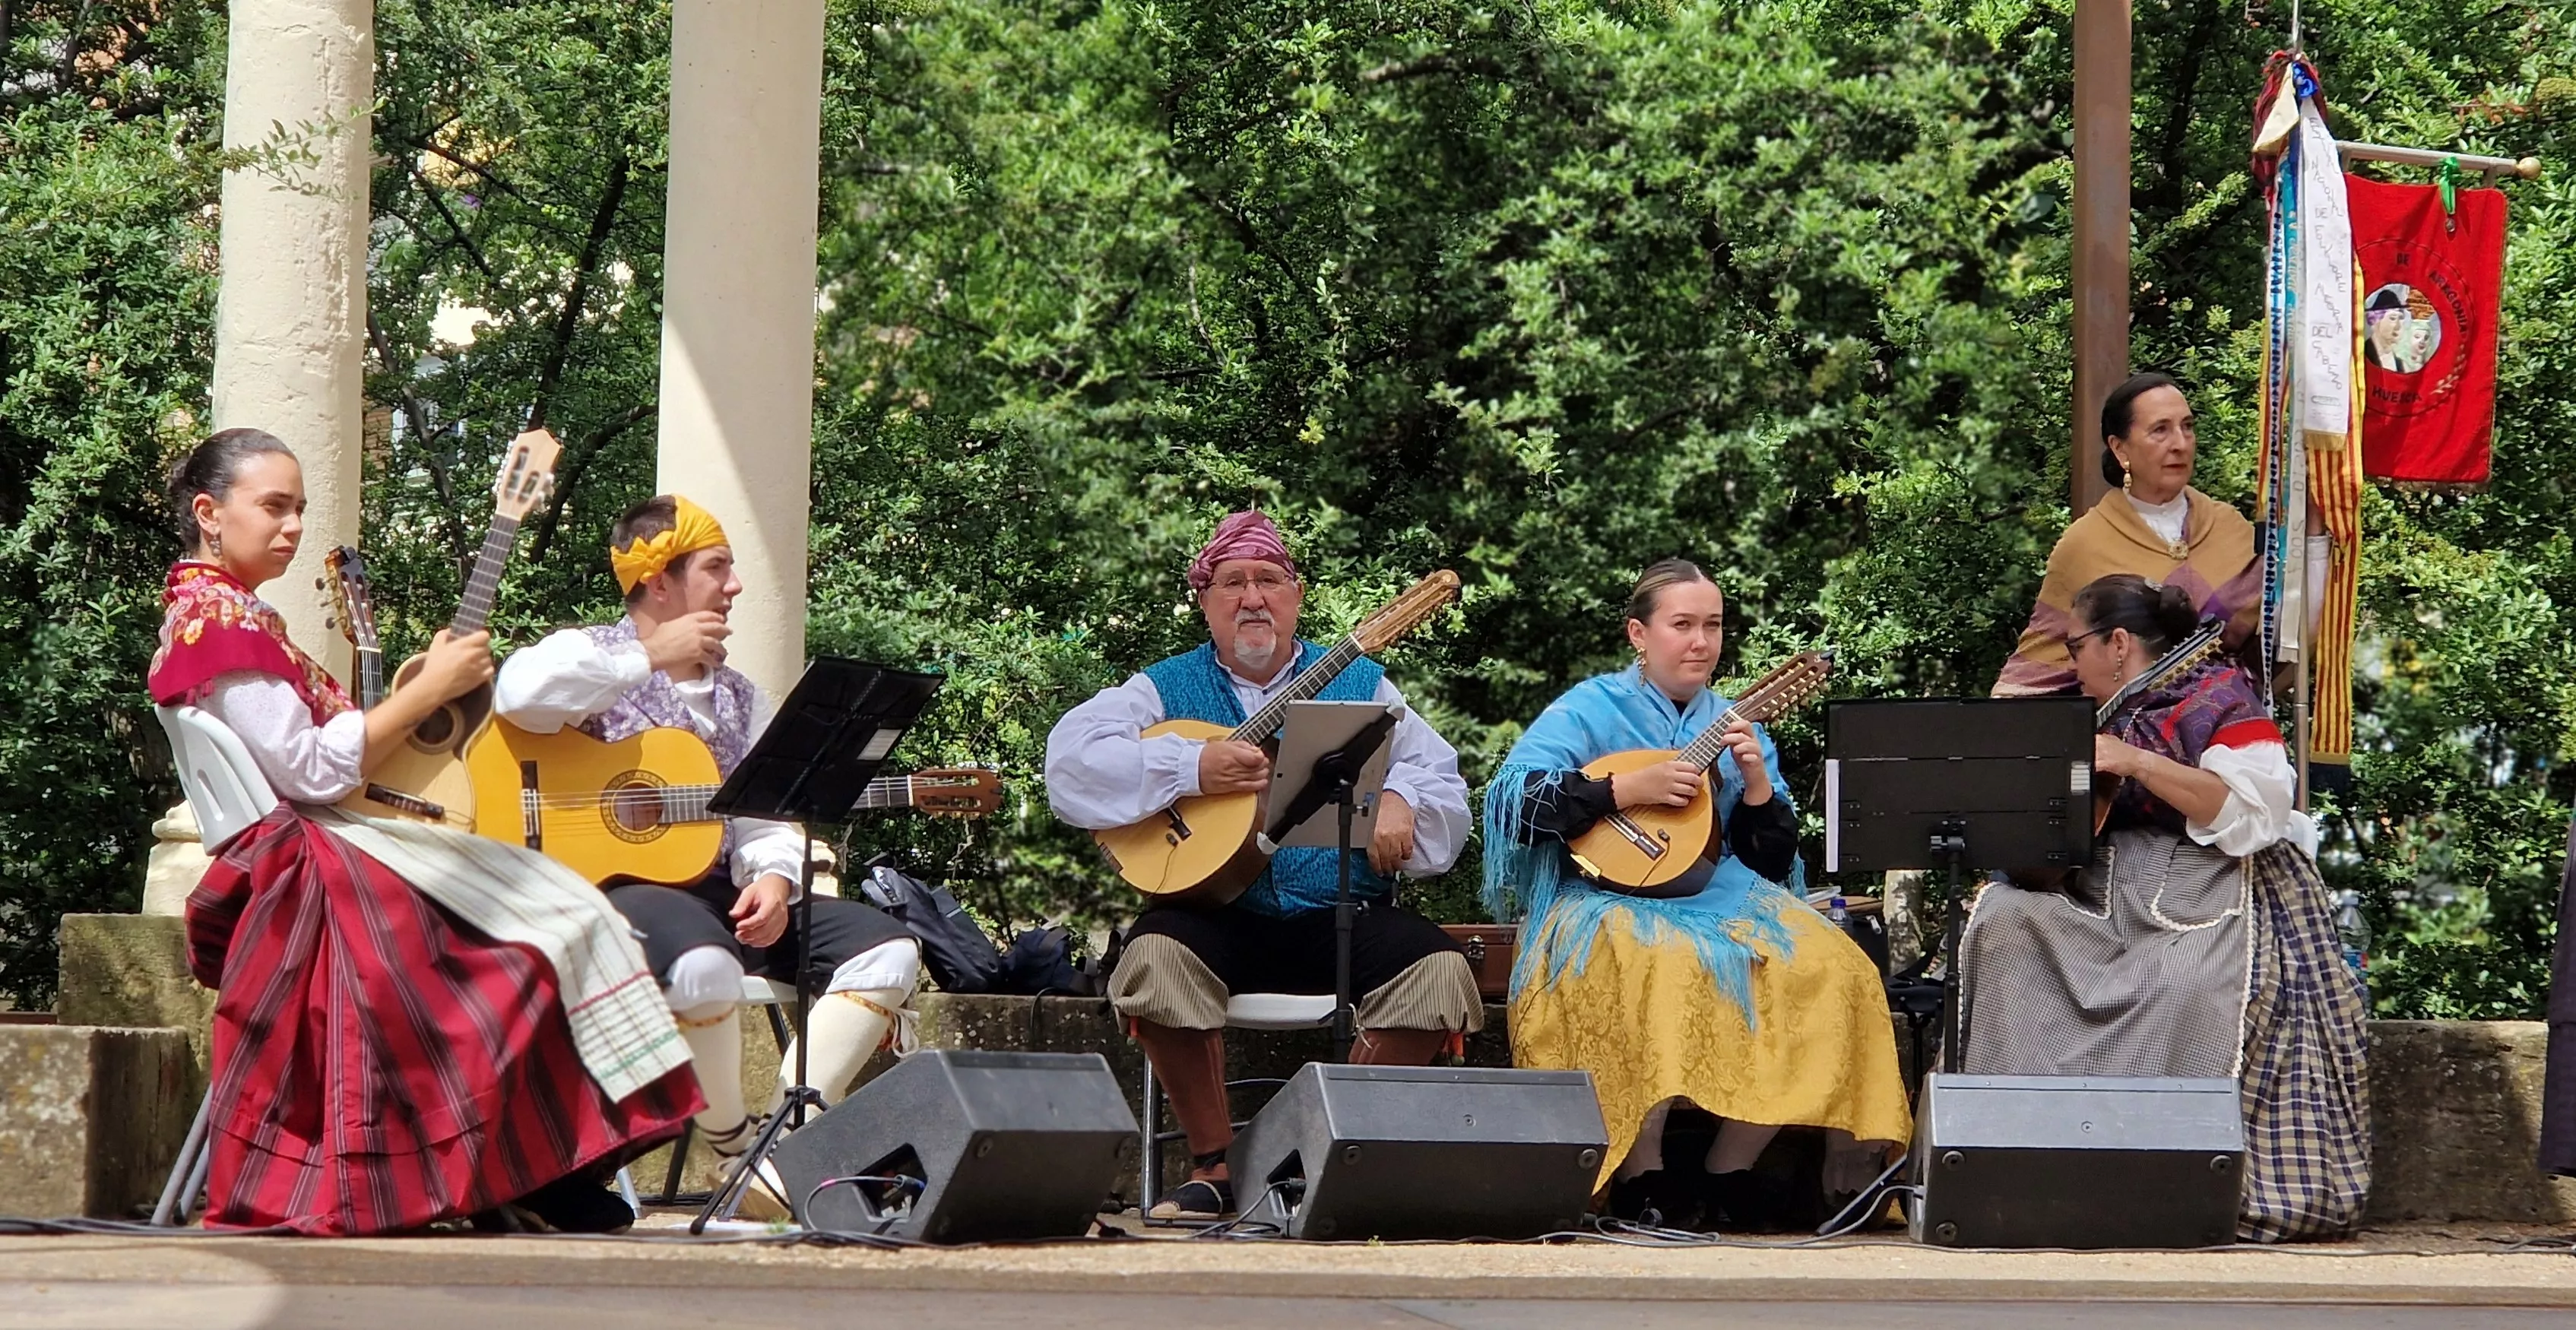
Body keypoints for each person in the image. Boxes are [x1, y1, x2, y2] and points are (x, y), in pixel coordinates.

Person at [151, 429, 698, 1236]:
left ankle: (530, 1168)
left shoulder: (218, 613)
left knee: (562, 908)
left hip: (311, 847)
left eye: (299, 508)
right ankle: (529, 1170)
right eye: (274, 506)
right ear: (209, 511)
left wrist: (427, 688)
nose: (293, 525)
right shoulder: (223, 623)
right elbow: (308, 770)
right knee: (551, 923)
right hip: (303, 864)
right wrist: (426, 689)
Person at [1044, 511, 1479, 1219]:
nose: (1252, 597)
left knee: (1439, 974)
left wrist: (1400, 797)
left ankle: (1320, 1159)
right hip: (1214, 917)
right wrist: (1190, 764)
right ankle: (1215, 1167)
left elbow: (1440, 782)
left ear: (1296, 596)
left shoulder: (1364, 683)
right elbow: (1069, 769)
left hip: (1337, 916)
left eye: (1269, 581)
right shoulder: (1158, 689)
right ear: (1205, 602)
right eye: (1232, 582)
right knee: (1152, 959)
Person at [493, 495, 925, 1183]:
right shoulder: (586, 652)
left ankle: (790, 1142)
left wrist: (775, 879)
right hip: (623, 889)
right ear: (659, 580)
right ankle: (733, 1146)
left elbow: (763, 813)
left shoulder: (742, 696)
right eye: (717, 567)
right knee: (705, 967)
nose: (736, 586)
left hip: (721, 888)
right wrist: (645, 657)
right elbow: (517, 696)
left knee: (891, 948)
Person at [1481, 559, 1911, 1230]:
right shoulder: (1591, 707)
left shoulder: (1734, 722)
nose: (1700, 642)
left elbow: (1769, 861)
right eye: (1681, 625)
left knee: (1834, 967)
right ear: (1638, 634)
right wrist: (1624, 791)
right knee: (1652, 960)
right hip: (1602, 896)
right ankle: (1641, 1172)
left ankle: (1729, 1169)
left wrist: (1755, 783)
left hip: (1719, 891)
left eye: (1711, 626)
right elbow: (1513, 804)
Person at [1959, 573, 2370, 1242]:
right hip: (2098, 895)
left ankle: (2167, 1180)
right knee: (2004, 923)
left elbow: (2254, 813)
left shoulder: (2219, 696)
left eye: (2077, 647)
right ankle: (2025, 1168)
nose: (2071, 664)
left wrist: (2137, 763)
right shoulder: (2090, 711)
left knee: (2188, 983)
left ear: (2117, 643)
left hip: (2207, 884)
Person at [1995, 373, 2264, 698]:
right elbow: (2039, 668)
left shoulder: (2230, 527)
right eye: (2160, 430)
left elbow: (2283, 635)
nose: (2180, 443)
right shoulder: (2085, 544)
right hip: (2125, 740)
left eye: (2187, 427)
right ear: (2120, 448)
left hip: (2231, 733)